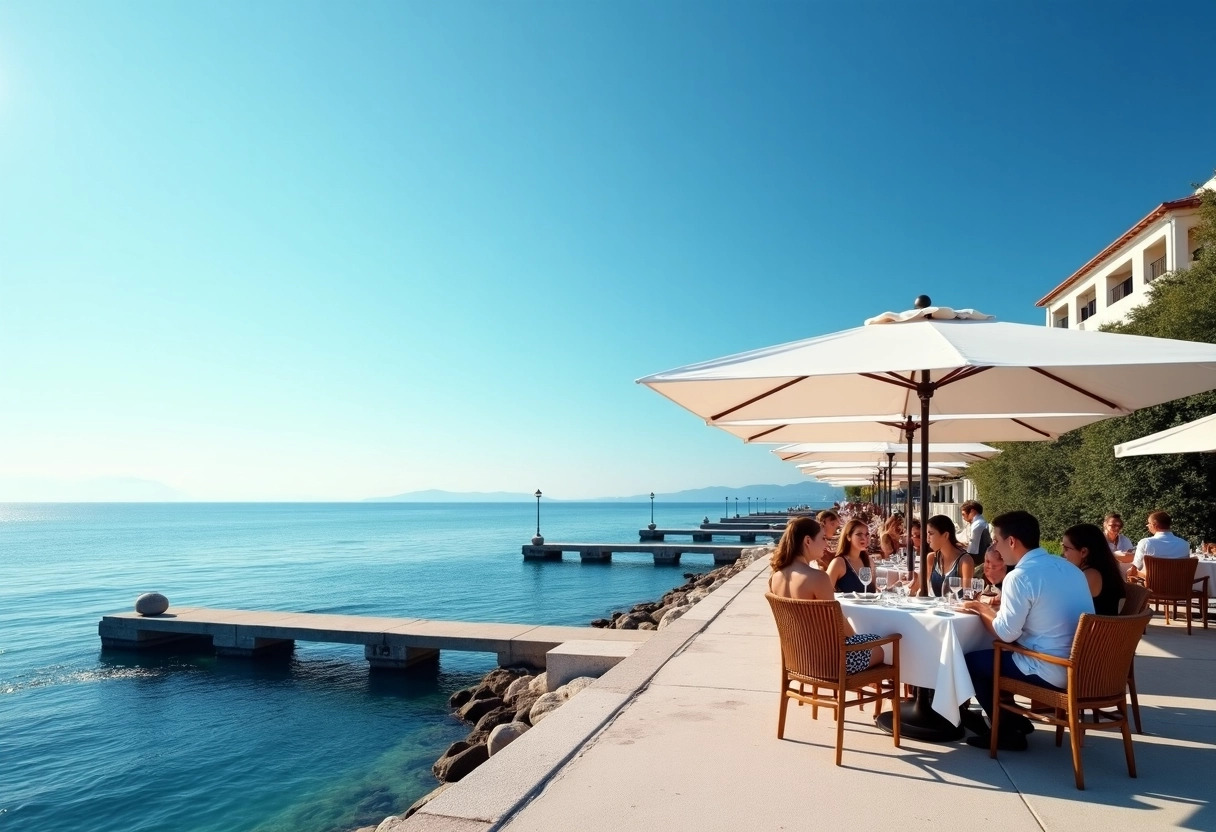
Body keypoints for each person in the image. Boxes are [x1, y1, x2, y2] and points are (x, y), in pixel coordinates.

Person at [960, 511, 1094, 751]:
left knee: (971, 660)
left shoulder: (1020, 576)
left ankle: (1005, 731)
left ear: (1011, 541)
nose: (995, 547)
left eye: (996, 541)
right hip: (1084, 668)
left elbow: (1006, 633)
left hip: (1051, 670)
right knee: (992, 656)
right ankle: (1012, 720)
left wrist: (980, 607)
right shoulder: (1071, 569)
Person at [768, 516, 883, 673]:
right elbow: (838, 625)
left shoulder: (776, 577)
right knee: (880, 649)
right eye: (822, 538)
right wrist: (859, 638)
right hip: (828, 663)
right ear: (808, 541)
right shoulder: (817, 578)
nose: (826, 543)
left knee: (870, 641)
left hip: (798, 660)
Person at [1061, 523, 1127, 616]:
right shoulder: (1103, 568)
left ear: (1083, 552)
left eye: (1066, 548)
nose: (1063, 553)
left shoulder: (1090, 575)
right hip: (1101, 627)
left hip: (1095, 628)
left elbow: (1067, 607)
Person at [1125, 510, 1190, 580]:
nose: (1148, 526)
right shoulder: (1185, 544)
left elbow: (1136, 568)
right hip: (1178, 588)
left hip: (1152, 589)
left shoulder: (1145, 543)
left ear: (1154, 525)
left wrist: (1127, 573)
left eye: (1149, 523)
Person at [925, 515, 975, 598]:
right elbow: (925, 589)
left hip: (956, 609)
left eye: (931, 534)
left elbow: (968, 596)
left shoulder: (965, 561)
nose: (927, 539)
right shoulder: (931, 558)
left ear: (945, 535)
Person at [827, 518, 876, 593]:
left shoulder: (869, 562)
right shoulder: (838, 563)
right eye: (859, 534)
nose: (864, 538)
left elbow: (875, 591)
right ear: (848, 537)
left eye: (866, 535)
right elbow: (825, 594)